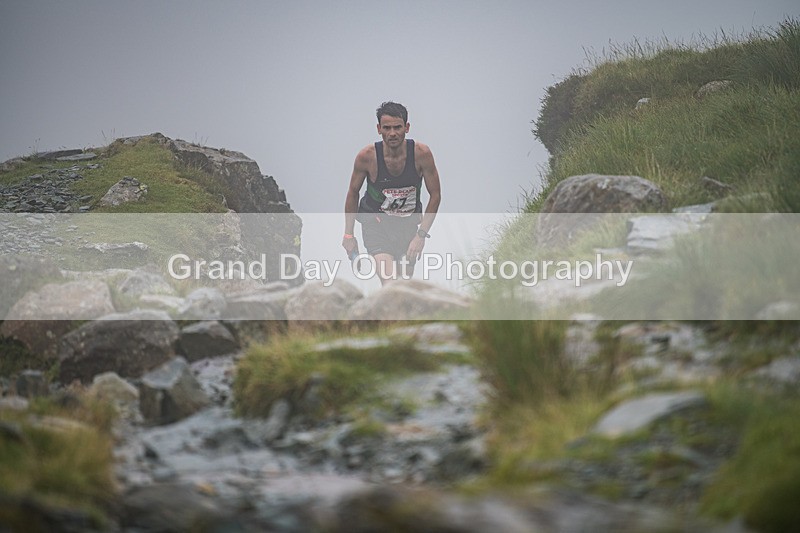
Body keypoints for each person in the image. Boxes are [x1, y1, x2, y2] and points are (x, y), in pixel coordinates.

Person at [343, 101, 441, 285]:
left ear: (407, 127)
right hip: (376, 224)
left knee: (403, 286)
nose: (392, 133)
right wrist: (348, 234)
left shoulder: (421, 154)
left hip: (409, 226)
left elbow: (435, 195)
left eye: (398, 127)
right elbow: (352, 193)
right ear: (379, 129)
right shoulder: (367, 157)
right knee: (390, 284)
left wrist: (421, 236)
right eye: (387, 128)